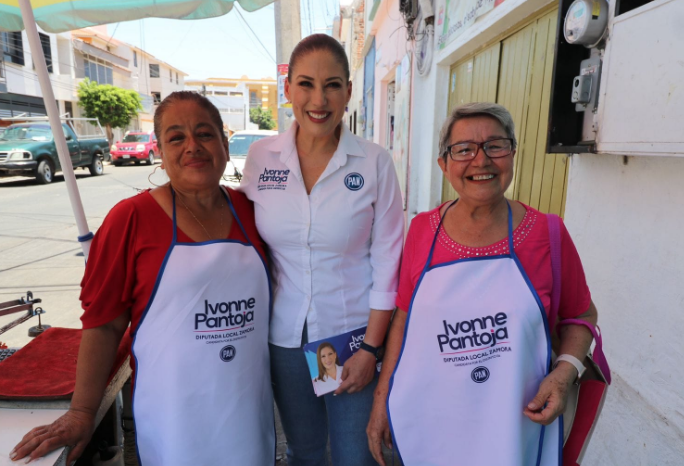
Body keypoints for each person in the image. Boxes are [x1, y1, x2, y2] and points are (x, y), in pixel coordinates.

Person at [10, 92, 275, 466]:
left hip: (247, 411)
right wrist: (82, 412)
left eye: (205, 134)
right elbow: (104, 325)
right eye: (176, 138)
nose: (193, 146)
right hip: (173, 422)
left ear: (224, 145)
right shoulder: (130, 218)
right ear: (161, 154)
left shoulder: (255, 212)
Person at [366, 102, 599, 466]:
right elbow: (403, 319)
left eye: (495, 146)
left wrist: (564, 373)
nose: (481, 160)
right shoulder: (422, 230)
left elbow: (581, 315)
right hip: (435, 425)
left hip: (515, 428)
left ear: (513, 154)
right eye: (463, 150)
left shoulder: (548, 233)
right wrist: (382, 400)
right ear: (444, 164)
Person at [239, 34, 403, 466]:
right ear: (288, 88)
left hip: (350, 339)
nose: (318, 100)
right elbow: (238, 231)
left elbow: (388, 261)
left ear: (348, 91)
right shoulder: (261, 158)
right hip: (286, 338)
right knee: (304, 453)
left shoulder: (374, 162)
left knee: (355, 456)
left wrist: (371, 349)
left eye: (332, 85)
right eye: (306, 84)